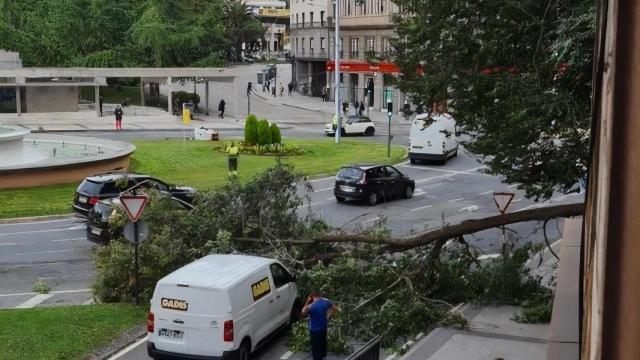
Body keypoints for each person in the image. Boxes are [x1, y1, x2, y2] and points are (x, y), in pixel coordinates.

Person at [302, 292, 337, 360]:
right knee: (322, 343)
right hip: (323, 327)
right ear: (320, 295)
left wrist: (308, 300)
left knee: (316, 347)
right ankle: (322, 355)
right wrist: (328, 315)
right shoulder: (326, 302)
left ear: (313, 297)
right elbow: (335, 308)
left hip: (315, 330)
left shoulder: (311, 306)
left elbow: (303, 311)